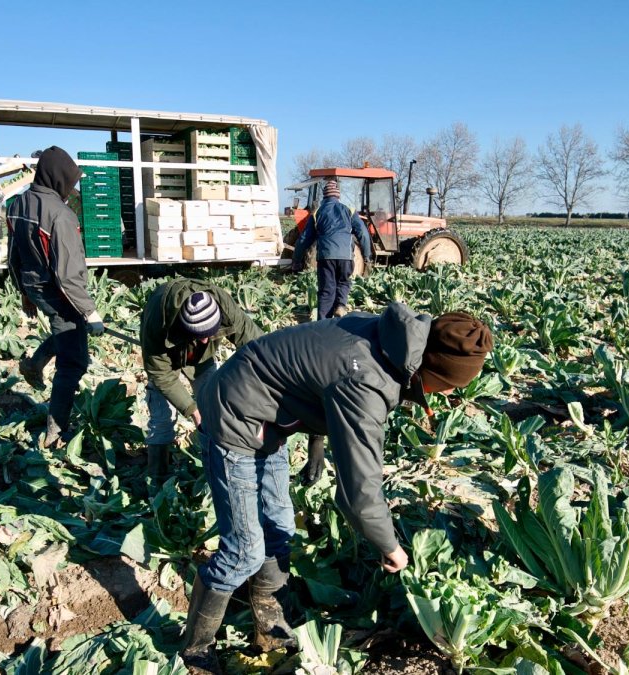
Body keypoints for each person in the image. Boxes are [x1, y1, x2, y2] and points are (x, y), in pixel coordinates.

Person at [180, 304, 494, 671]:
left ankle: (270, 627)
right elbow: (359, 493)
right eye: (451, 386)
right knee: (243, 552)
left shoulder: (393, 340)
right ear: (433, 369)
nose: (446, 394)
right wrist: (389, 546)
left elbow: (315, 370)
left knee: (279, 527)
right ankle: (195, 649)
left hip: (268, 416)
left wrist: (315, 440)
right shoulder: (368, 381)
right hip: (234, 415)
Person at [7, 146, 105, 445]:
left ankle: (34, 364)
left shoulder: (18, 203)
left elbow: (13, 255)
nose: (72, 187)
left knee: (67, 335)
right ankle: (56, 431)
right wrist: (90, 312)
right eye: (70, 181)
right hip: (60, 294)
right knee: (73, 362)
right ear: (57, 178)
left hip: (36, 287)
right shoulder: (60, 216)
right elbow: (67, 275)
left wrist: (24, 291)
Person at [137, 280, 263, 481]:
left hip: (201, 361)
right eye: (199, 335)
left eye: (210, 334)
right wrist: (192, 410)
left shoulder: (225, 306)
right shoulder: (157, 320)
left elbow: (258, 346)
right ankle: (157, 479)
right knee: (161, 418)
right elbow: (160, 374)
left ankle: (214, 465)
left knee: (214, 407)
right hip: (163, 357)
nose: (205, 341)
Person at [291, 180, 373, 320]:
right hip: (345, 256)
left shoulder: (317, 213)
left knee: (326, 290)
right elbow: (363, 234)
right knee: (343, 282)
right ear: (338, 196)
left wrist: (297, 260)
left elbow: (304, 238)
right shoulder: (349, 211)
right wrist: (367, 256)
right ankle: (341, 306)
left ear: (324, 197)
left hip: (326, 256)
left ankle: (323, 324)